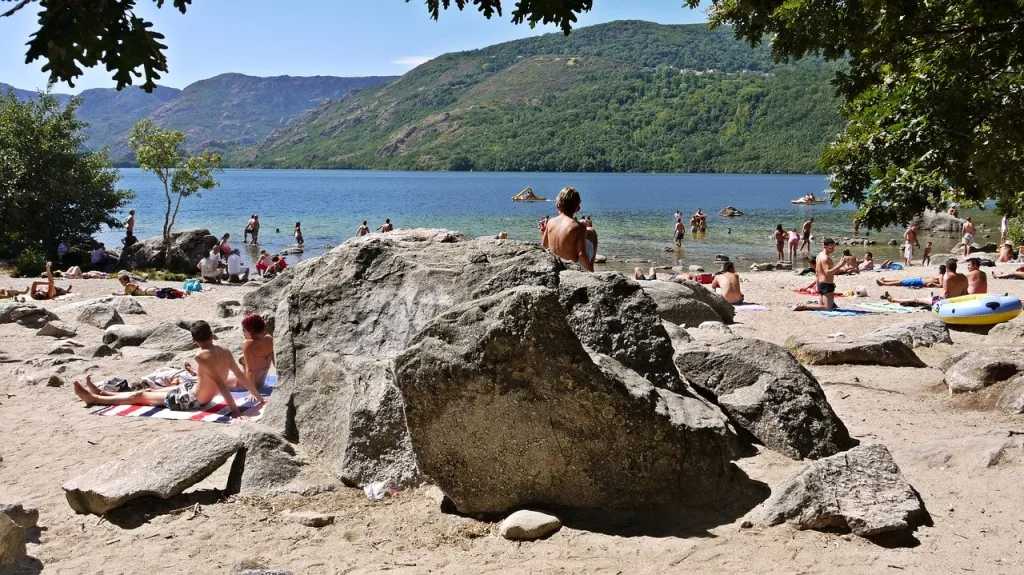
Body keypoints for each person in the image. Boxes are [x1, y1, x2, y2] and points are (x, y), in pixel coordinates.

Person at [71, 321, 251, 417]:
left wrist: (235, 411)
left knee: (139, 396)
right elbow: (235, 375)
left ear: (194, 340)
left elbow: (219, 382)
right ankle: (104, 393)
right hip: (193, 393)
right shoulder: (224, 351)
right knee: (149, 390)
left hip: (191, 400)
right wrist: (257, 397)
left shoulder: (201, 355)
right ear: (212, 335)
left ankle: (94, 398)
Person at [541, 186, 593, 272]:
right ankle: (591, 266)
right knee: (592, 233)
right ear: (578, 208)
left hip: (556, 264)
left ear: (558, 204)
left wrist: (542, 233)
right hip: (571, 267)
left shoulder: (550, 222)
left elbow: (544, 246)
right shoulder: (578, 227)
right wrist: (591, 272)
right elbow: (581, 254)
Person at [793, 238, 849, 311]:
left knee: (822, 305)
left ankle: (805, 305)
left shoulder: (819, 255)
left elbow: (817, 271)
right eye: (830, 248)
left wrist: (817, 284)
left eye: (833, 247)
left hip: (820, 283)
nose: (833, 249)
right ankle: (804, 306)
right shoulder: (825, 258)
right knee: (827, 308)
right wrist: (840, 264)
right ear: (824, 246)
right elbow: (827, 272)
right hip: (826, 284)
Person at [883, 259, 967, 307]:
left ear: (947, 268)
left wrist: (938, 301)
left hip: (945, 302)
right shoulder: (963, 276)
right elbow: (964, 292)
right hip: (958, 301)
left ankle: (894, 300)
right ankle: (929, 298)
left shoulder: (947, 277)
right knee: (927, 298)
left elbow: (945, 293)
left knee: (917, 299)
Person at [237, 314, 273, 394]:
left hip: (248, 384)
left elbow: (250, 371)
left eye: (244, 330)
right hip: (261, 382)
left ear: (250, 330)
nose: (243, 333)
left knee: (220, 378)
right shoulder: (269, 339)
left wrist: (252, 392)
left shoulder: (248, 344)